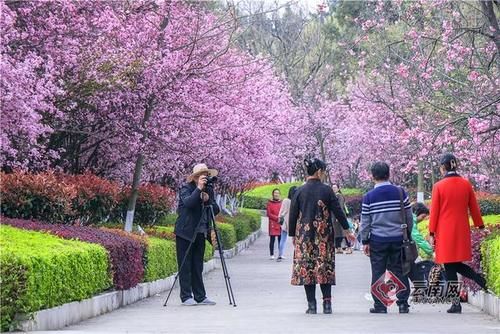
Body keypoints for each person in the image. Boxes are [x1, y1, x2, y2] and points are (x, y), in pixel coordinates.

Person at [289, 158, 356, 315]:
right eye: (324, 172)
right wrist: (347, 229)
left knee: (308, 268)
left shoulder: (299, 191)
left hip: (304, 236)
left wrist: (293, 235)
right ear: (319, 172)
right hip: (324, 236)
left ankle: (311, 306)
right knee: (324, 267)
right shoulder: (327, 190)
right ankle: (327, 305)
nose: (325, 175)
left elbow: (292, 216)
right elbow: (338, 211)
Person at [429, 153, 487, 314]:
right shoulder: (466, 184)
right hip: (461, 229)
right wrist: (480, 226)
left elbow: (434, 212)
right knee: (452, 264)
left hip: (445, 230)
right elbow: (474, 208)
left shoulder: (439, 186)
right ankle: (477, 280)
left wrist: (432, 232)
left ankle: (457, 302)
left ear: (443, 167)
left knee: (449, 265)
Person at [361, 162, 413, 314]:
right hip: (398, 238)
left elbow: (365, 222)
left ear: (372, 177)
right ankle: (403, 303)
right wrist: (407, 234)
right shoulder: (400, 192)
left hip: (377, 240)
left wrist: (365, 241)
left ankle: (380, 306)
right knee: (399, 270)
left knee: (378, 272)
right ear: (389, 174)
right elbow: (409, 217)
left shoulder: (369, 197)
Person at [174, 163, 220, 306]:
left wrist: (208, 199)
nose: (204, 177)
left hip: (201, 232)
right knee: (185, 264)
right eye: (201, 175)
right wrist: (198, 189)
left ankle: (200, 296)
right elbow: (188, 203)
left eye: (206, 174)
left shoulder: (208, 189)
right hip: (185, 232)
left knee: (197, 265)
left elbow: (216, 209)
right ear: (195, 177)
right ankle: (186, 296)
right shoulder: (186, 189)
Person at [277, 186, 297, 262]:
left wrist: (279, 217)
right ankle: (297, 254)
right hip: (293, 222)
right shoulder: (295, 201)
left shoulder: (285, 200)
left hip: (285, 222)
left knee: (283, 239)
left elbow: (281, 211)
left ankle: (280, 254)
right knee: (295, 239)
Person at [332, 183, 352, 254]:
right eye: (333, 187)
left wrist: (339, 217)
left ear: (338, 188)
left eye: (335, 187)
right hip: (334, 218)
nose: (333, 189)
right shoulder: (334, 196)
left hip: (339, 217)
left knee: (344, 232)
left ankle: (349, 247)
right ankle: (338, 248)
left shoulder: (339, 196)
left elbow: (340, 207)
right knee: (337, 233)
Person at [266, 188, 282, 260]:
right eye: (275, 193)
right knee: (272, 240)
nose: (276, 194)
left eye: (278, 193)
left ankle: (280, 254)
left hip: (280, 223)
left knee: (280, 239)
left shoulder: (281, 203)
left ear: (279, 194)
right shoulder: (269, 203)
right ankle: (271, 254)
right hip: (273, 223)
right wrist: (276, 218)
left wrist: (281, 219)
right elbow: (268, 214)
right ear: (273, 194)